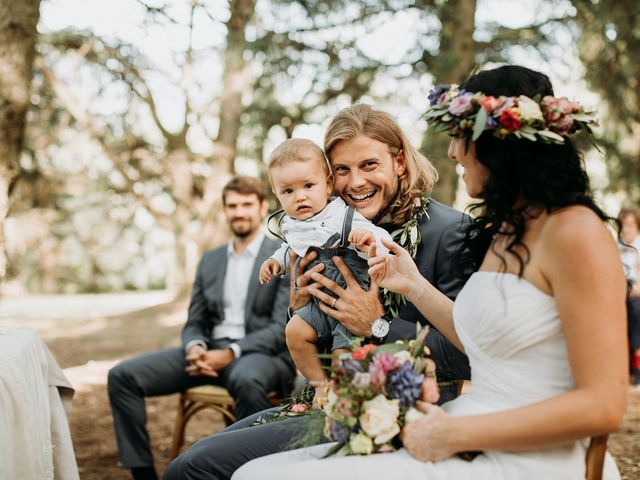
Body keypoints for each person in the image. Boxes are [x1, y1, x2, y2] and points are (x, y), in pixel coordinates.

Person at [233, 65, 628, 480]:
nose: (454, 151)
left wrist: (454, 431)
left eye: (461, 137)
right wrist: (412, 285)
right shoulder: (508, 233)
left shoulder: (577, 232)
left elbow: (603, 406)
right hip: (459, 425)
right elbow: (481, 339)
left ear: (498, 144)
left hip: (521, 454)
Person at [164, 104, 474, 479]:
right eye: (342, 170)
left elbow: (471, 355)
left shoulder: (450, 230)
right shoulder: (322, 226)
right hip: (325, 396)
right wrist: (300, 307)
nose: (355, 183)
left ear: (400, 163)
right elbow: (312, 334)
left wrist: (378, 325)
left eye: (369, 165)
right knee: (192, 459)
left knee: (197, 468)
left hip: (398, 410)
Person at [107, 176, 296, 480]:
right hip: (207, 354)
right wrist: (195, 346)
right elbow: (195, 320)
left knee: (247, 379)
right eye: (232, 206)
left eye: (247, 205)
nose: (239, 212)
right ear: (224, 210)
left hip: (261, 355)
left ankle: (246, 473)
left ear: (262, 207)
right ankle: (143, 475)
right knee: (123, 376)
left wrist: (232, 352)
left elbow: (279, 329)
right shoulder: (210, 260)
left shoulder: (284, 255)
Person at [260, 137, 394, 390]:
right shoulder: (293, 224)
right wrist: (274, 261)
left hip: (351, 303)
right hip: (318, 303)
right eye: (288, 191)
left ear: (328, 184)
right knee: (294, 332)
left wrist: (367, 240)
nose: (300, 197)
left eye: (308, 186)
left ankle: (342, 397)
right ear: (277, 195)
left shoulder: (342, 216)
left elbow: (381, 239)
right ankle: (320, 385)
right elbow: (289, 247)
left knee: (342, 357)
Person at [617, 205, 640, 385]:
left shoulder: (639, 245)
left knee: (636, 334)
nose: (627, 229)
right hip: (622, 294)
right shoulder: (619, 246)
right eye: (623, 225)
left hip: (635, 296)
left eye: (631, 225)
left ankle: (638, 374)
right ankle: (623, 372)